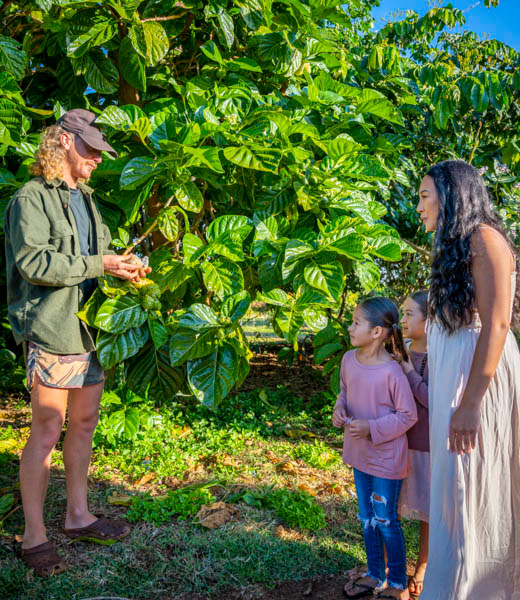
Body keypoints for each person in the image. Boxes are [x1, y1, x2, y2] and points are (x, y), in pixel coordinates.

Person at [4, 109, 150, 576]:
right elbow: (35, 264)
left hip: (89, 330)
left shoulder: (86, 200)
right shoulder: (30, 199)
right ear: (64, 142)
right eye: (89, 150)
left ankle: (77, 516)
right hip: (51, 329)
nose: (97, 160)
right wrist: (100, 264)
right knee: (47, 430)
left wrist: (125, 268)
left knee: (84, 422)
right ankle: (33, 536)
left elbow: (98, 254)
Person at [417, 160, 520, 600]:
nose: (418, 206)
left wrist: (471, 403)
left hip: (477, 382)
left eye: (424, 196)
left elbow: (497, 325)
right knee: (453, 486)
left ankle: (482, 589)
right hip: (454, 378)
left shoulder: (486, 240)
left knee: (471, 482)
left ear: (450, 194)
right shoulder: (457, 244)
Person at [333, 297, 417, 600]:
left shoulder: (391, 372)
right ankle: (374, 572)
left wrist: (372, 428)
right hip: (360, 456)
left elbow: (408, 415)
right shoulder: (348, 360)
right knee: (367, 518)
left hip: (386, 460)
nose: (350, 327)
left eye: (356, 322)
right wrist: (338, 410)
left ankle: (397, 583)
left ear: (378, 332)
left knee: (385, 520)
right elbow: (344, 394)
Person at [395, 290, 429, 598]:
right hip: (398, 444)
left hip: (427, 446)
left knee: (427, 510)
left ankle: (422, 566)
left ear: (429, 320)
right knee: (394, 506)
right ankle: (390, 566)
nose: (402, 319)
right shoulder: (402, 348)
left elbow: (432, 399)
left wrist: (406, 369)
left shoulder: (440, 356)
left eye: (409, 314)